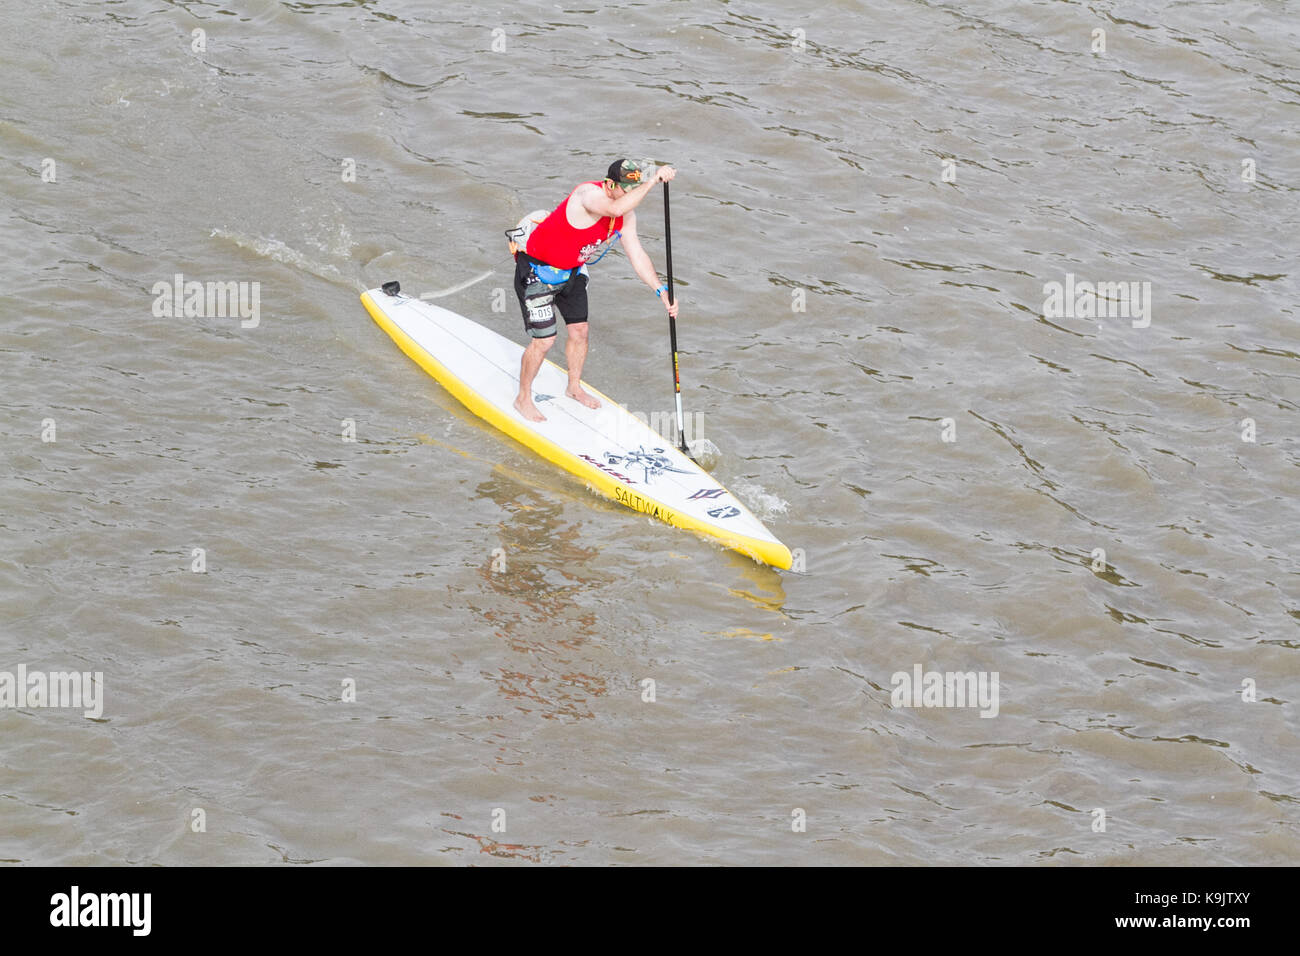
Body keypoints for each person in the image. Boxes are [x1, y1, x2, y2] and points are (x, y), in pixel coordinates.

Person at [512, 159, 679, 422]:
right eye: (627, 189)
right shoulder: (588, 196)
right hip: (537, 272)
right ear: (610, 184)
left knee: (580, 331)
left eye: (634, 188)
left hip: (572, 272)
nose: (632, 194)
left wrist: (661, 291)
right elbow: (614, 206)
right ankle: (523, 398)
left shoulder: (626, 216)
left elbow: (637, 254)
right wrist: (654, 180)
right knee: (544, 340)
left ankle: (574, 387)